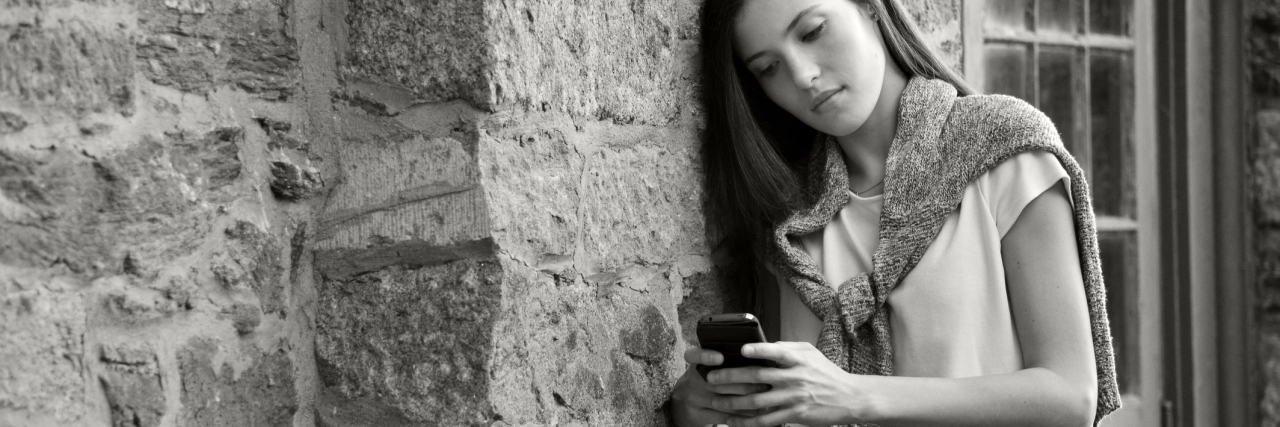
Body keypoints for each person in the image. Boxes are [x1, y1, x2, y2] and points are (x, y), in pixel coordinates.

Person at [669, 0, 1120, 426]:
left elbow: (1069, 397)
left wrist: (855, 395)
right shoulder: (790, 225)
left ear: (869, 6)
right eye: (769, 68)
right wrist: (706, 411)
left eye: (813, 31)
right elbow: (799, 407)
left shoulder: (1004, 149)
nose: (803, 76)